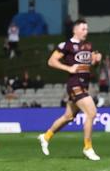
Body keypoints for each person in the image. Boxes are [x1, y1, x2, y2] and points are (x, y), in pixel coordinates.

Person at [37, 19, 102, 161]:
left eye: (87, 29)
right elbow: (51, 61)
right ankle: (88, 147)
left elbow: (90, 65)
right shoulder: (66, 45)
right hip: (74, 83)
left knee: (68, 117)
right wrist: (68, 68)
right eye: (83, 29)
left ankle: (46, 136)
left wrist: (96, 61)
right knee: (91, 112)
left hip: (84, 84)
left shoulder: (88, 45)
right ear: (75, 30)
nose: (86, 31)